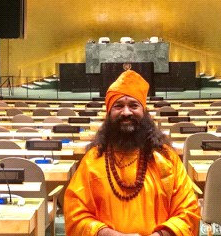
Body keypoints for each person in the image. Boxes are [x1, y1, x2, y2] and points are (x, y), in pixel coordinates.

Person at [64, 70, 200, 236]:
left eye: (134, 106)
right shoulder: (92, 161)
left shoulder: (166, 159)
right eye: (119, 106)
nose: (126, 112)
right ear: (109, 113)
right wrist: (110, 235)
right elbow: (75, 214)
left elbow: (188, 211)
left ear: (144, 112)